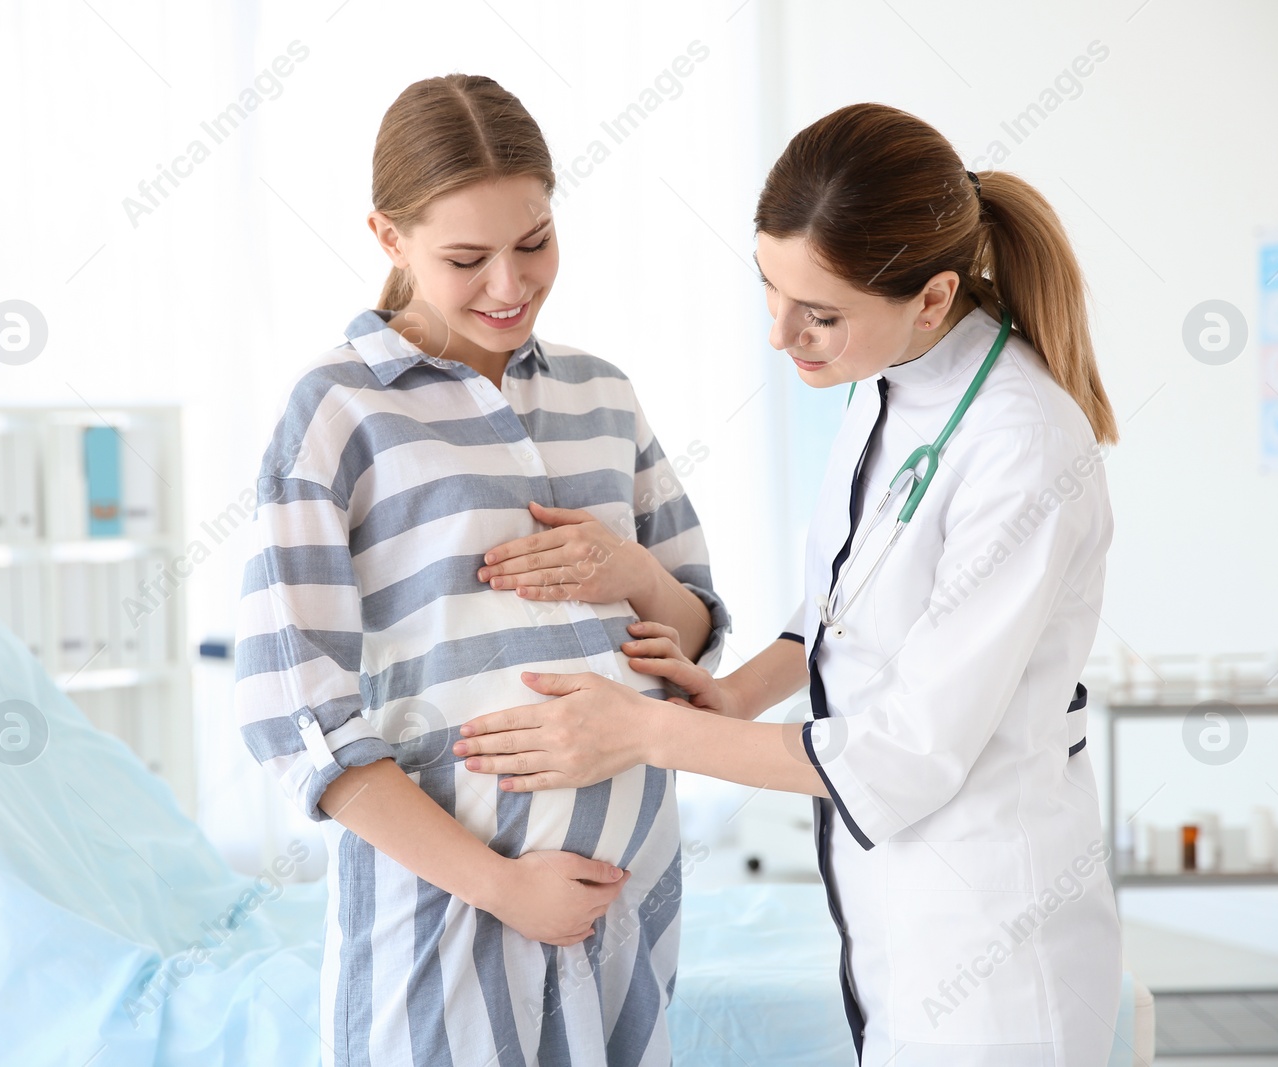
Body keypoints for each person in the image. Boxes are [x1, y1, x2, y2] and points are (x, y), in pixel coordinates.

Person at [455, 102, 1125, 1065]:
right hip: (896, 926)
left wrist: (644, 730)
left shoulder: (1021, 442)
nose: (782, 335)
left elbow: (901, 755)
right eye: (769, 289)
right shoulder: (886, 381)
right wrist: (733, 693)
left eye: (819, 314)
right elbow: (841, 612)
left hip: (997, 950)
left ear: (931, 298)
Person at [233, 74, 729, 1067]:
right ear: (388, 237)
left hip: (627, 895)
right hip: (448, 909)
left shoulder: (602, 391)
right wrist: (506, 887)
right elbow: (299, 720)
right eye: (467, 258)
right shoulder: (337, 411)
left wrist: (630, 567)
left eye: (534, 242)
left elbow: (696, 635)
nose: (510, 285)